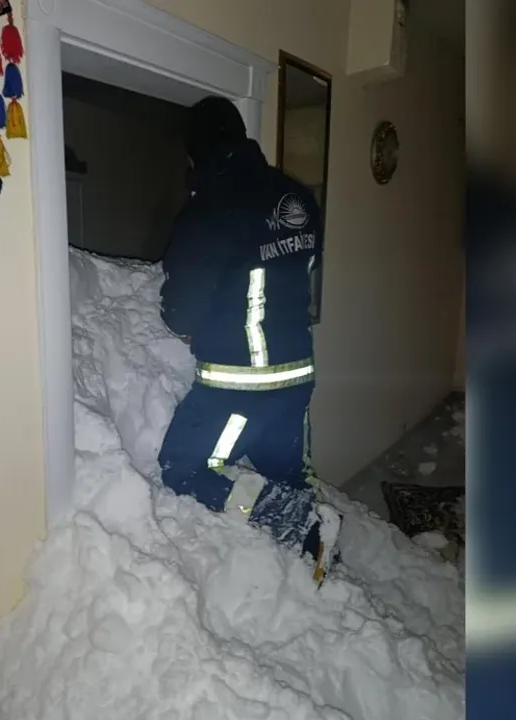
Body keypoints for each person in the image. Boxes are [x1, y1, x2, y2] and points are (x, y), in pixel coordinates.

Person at [158, 96, 328, 561]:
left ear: (197, 151)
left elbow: (182, 309)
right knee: (286, 473)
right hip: (296, 373)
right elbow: (300, 271)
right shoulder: (297, 197)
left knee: (183, 468)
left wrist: (183, 322)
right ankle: (318, 549)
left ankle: (297, 522)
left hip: (238, 384)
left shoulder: (210, 209)